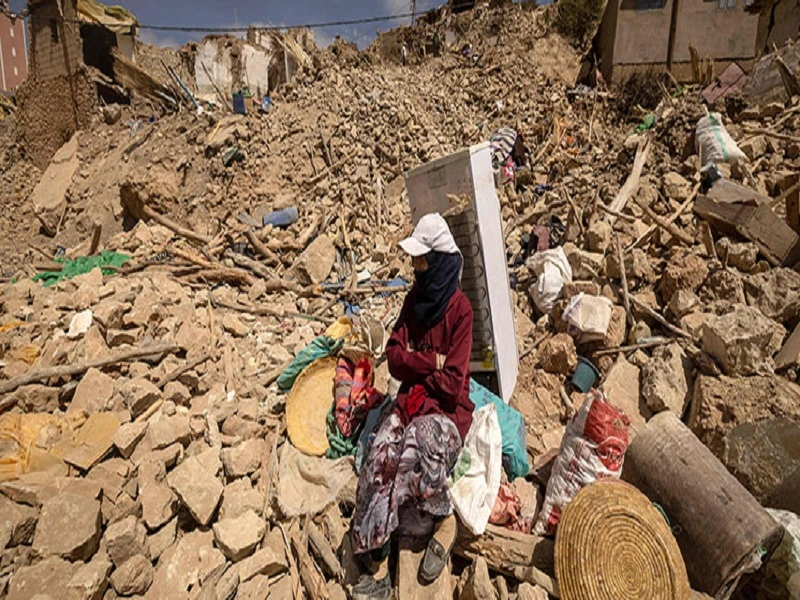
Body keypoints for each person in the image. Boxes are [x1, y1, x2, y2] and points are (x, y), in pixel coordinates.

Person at [350, 213, 475, 600]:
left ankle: (442, 523)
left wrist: (417, 363)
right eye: (415, 261)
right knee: (380, 453)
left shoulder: (461, 311)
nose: (417, 268)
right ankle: (379, 557)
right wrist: (430, 362)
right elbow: (394, 358)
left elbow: (453, 385)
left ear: (438, 261)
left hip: (445, 414)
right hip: (411, 403)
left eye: (422, 261)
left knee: (415, 450)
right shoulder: (412, 301)